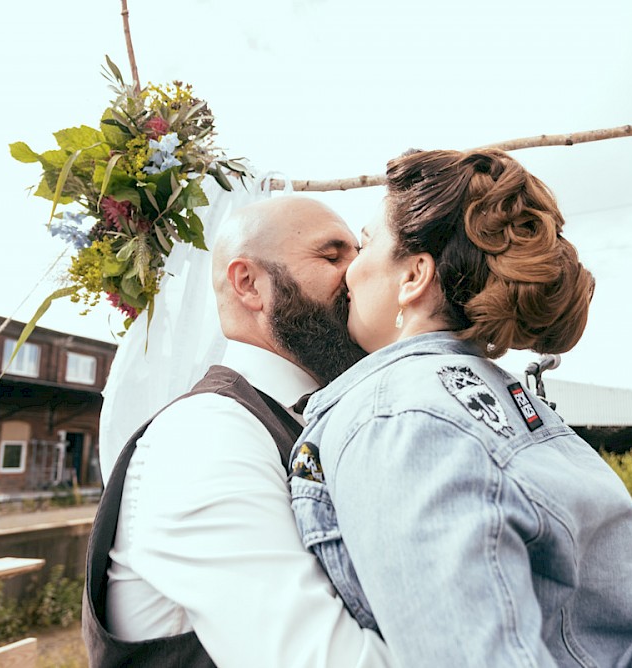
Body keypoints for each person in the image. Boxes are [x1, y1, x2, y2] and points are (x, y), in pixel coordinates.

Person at [290, 149, 632, 667]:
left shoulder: (398, 420)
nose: (349, 271)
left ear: (414, 275)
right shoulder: (504, 395)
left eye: (365, 244)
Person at [83, 196, 397, 667]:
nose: (357, 274)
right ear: (249, 284)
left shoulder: (319, 421)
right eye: (333, 256)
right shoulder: (204, 436)